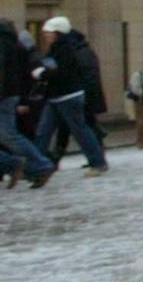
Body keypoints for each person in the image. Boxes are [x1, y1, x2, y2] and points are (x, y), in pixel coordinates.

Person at [31, 17, 109, 177]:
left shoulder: (65, 49)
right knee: (43, 132)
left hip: (68, 96)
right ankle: (37, 165)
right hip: (56, 96)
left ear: (58, 32)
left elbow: (62, 72)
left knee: (80, 131)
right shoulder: (57, 48)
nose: (46, 35)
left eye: (49, 32)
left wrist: (42, 73)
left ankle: (98, 162)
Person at [1, 18, 56, 188]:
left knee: (9, 135)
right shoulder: (10, 42)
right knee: (8, 135)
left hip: (3, 95)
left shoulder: (4, 43)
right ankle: (16, 165)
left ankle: (38, 165)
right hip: (8, 94)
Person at [129, 58, 143, 150]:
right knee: (141, 121)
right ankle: (140, 142)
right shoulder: (138, 74)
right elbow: (135, 88)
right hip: (140, 100)